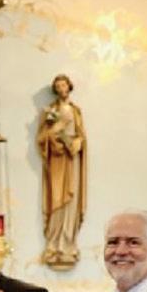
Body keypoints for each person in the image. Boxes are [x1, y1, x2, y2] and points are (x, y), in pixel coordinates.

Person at [37, 73, 87, 269]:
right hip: (57, 161)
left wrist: (77, 142)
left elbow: (81, 136)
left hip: (72, 160)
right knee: (57, 199)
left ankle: (68, 243)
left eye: (63, 85)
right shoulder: (51, 111)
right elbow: (42, 138)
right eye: (57, 86)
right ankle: (54, 244)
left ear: (69, 86)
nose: (61, 89)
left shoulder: (75, 111)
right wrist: (56, 130)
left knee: (71, 202)